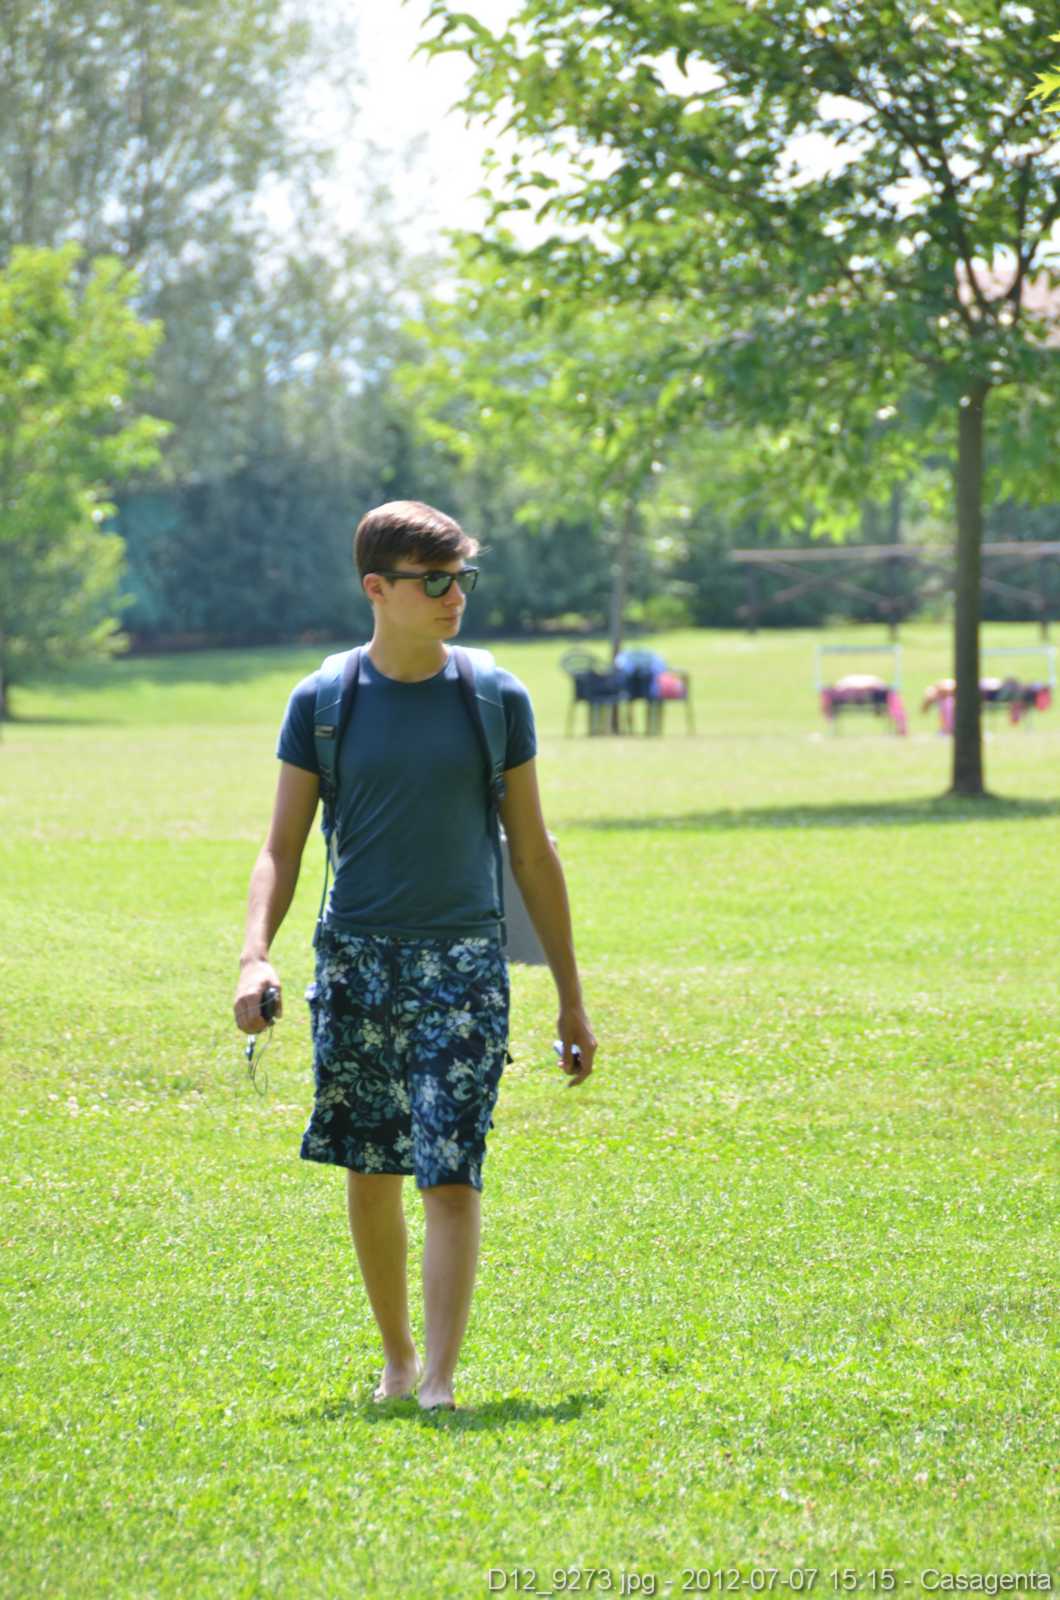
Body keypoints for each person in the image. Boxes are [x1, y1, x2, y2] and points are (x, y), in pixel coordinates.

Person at [233, 500, 597, 1411]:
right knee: (373, 1168)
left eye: (461, 578)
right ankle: (397, 1360)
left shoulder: (494, 698)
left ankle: (438, 1379)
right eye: (433, 581)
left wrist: (571, 997)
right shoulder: (323, 702)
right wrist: (253, 956)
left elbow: (533, 854)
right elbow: (281, 847)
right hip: (355, 962)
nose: (454, 596)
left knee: (450, 1169)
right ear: (377, 588)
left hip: (464, 968)